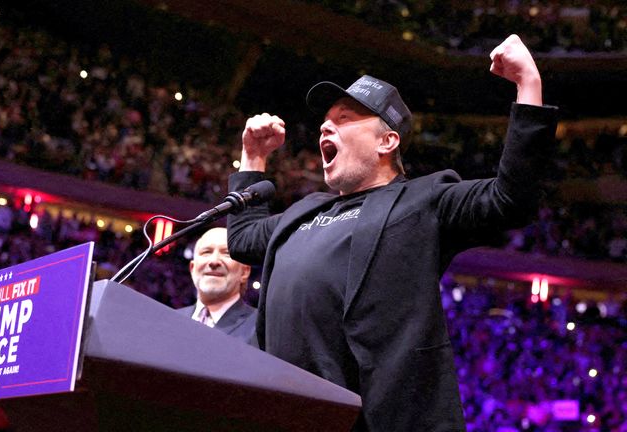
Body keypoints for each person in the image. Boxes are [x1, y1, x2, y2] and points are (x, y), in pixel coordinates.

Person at [226, 35, 558, 431]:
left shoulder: (423, 201)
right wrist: (253, 158)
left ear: (388, 141)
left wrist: (528, 84)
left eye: (345, 118)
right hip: (286, 412)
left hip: (373, 418)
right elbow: (242, 239)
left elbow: (510, 199)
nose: (325, 126)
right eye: (325, 121)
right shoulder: (303, 211)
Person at [178, 227, 257, 342]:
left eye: (226, 253)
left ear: (244, 272)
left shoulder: (263, 327)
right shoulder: (168, 320)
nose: (214, 261)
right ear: (192, 268)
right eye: (206, 252)